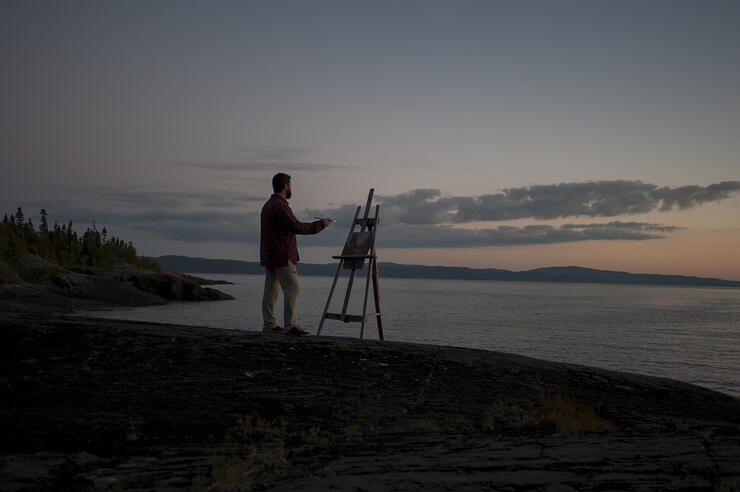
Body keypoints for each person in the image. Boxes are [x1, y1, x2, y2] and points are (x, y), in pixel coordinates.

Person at [260, 173, 331, 336]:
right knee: (293, 288)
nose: (292, 188)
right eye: (291, 185)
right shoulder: (280, 205)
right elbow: (296, 226)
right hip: (283, 255)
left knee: (271, 290)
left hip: (269, 255)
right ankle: (289, 325)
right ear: (285, 186)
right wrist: (320, 225)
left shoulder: (268, 205)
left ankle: (269, 323)